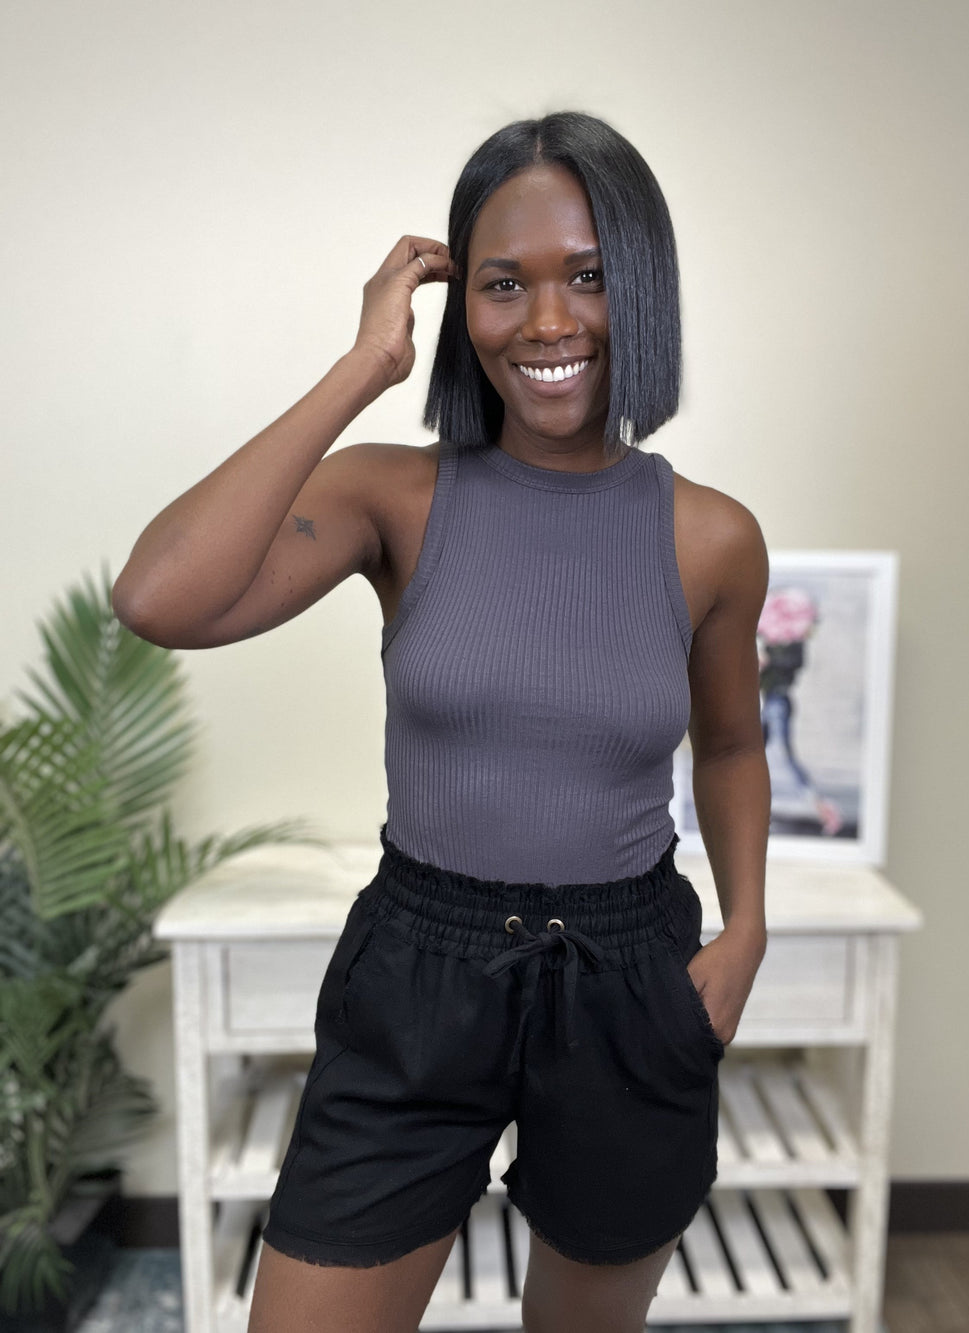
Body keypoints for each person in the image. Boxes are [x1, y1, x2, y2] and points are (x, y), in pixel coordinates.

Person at [114, 111, 770, 1333]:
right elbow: (160, 598)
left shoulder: (711, 536)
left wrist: (747, 931)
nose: (548, 320)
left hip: (628, 978)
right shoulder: (394, 496)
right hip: (419, 969)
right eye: (503, 284)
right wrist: (363, 365)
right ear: (460, 305)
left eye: (587, 276)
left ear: (641, 283)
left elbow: (730, 745)